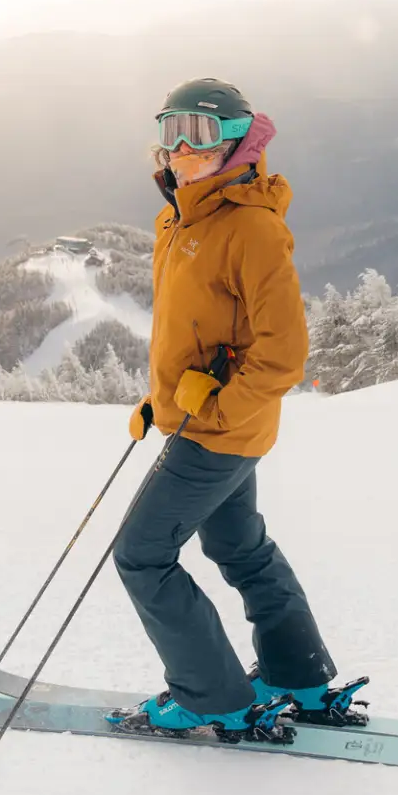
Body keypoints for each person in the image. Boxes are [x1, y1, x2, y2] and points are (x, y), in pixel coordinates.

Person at [106, 78, 357, 736]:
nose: (181, 149)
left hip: (217, 433)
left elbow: (284, 353)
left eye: (199, 134)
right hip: (214, 425)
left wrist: (212, 408)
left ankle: (212, 696)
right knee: (240, 548)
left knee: (141, 555)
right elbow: (198, 333)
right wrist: (160, 401)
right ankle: (295, 676)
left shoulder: (250, 228)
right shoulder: (179, 218)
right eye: (170, 131)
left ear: (235, 142)